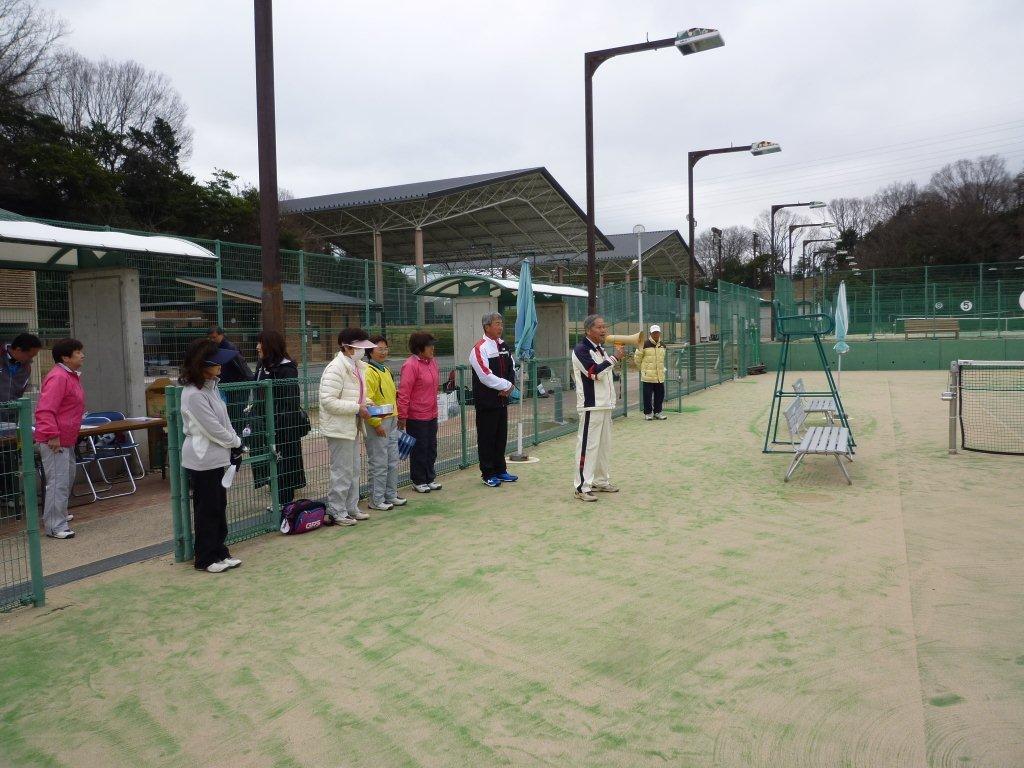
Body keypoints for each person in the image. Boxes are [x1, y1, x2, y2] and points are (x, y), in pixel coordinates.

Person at [179, 338, 243, 573]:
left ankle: (219, 551)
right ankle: (205, 558)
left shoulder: (211, 387)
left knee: (218, 506)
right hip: (202, 458)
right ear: (201, 364)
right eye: (215, 363)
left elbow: (224, 421)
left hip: (217, 456)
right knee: (207, 509)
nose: (220, 366)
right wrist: (236, 442)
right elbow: (211, 428)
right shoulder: (193, 394)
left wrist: (235, 442)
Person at [319, 327, 377, 525]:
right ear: (347, 348)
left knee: (353, 469)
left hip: (351, 425)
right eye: (359, 347)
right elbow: (328, 401)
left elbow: (356, 395)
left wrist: (367, 403)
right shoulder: (335, 368)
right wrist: (357, 407)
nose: (363, 351)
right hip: (339, 427)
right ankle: (337, 511)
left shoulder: (357, 366)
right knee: (342, 471)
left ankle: (351, 507)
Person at [33, 338, 87, 539]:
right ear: (65, 357)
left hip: (66, 437)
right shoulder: (59, 377)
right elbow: (46, 409)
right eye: (78, 352)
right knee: (58, 481)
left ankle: (58, 514)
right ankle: (55, 526)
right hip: (55, 440)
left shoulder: (68, 376)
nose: (82, 355)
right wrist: (52, 435)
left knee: (67, 477)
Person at [250, 330, 307, 505]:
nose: (257, 347)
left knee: (284, 463)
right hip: (263, 423)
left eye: (261, 343)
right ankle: (276, 499)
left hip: (282, 426)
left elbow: (290, 401)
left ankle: (284, 504)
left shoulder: (286, 368)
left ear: (271, 346)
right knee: (268, 463)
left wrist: (278, 424)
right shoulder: (262, 365)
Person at [571, 315, 623, 502]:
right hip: (591, 407)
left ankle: (600, 481)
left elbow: (606, 373)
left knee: (603, 446)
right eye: (599, 327)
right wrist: (614, 358)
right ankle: (582, 487)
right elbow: (594, 373)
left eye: (604, 326)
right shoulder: (581, 349)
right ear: (588, 330)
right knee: (588, 446)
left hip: (605, 405)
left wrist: (611, 359)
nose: (604, 330)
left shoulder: (600, 349)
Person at [469, 312, 518, 487]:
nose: (500, 327)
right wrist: (505, 386)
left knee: (500, 437)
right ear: (487, 327)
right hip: (487, 402)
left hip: (502, 402)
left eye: (501, 323)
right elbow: (485, 375)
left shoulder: (503, 345)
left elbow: (512, 367)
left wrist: (510, 385)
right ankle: (488, 473)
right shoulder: (479, 348)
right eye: (497, 323)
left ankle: (500, 470)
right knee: (486, 438)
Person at [363, 336, 407, 511]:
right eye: (379, 349)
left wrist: (397, 416)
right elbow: (367, 400)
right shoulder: (368, 371)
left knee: (392, 460)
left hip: (391, 419)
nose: (383, 352)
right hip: (378, 422)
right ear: (370, 352)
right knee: (379, 462)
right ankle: (376, 499)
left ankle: (390, 494)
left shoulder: (385, 369)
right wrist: (376, 423)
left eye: (385, 348)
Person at [1, 333, 42, 516]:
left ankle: (10, 494)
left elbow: (19, 391)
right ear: (17, 349)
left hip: (10, 417)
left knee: (8, 454)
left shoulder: (25, 367)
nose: (31, 359)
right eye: (30, 355)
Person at [397, 332, 441, 494]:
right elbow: (404, 392)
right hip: (416, 416)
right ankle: (418, 480)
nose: (432, 348)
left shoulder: (432, 362)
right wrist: (402, 415)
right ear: (419, 348)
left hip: (432, 413)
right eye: (429, 345)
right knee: (419, 449)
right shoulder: (410, 365)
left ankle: (430, 477)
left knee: (431, 447)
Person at [208, 326, 253, 430]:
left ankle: (238, 434)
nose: (212, 340)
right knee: (229, 412)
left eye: (214, 337)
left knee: (236, 412)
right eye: (210, 338)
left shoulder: (229, 348)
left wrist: (249, 378)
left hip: (238, 385)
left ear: (221, 335)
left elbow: (241, 364)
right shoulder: (217, 348)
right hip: (227, 384)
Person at [634, 324, 668, 421]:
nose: (656, 334)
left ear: (660, 333)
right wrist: (643, 369)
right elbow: (637, 358)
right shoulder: (643, 344)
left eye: (657, 332)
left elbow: (662, 360)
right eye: (654, 333)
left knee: (660, 395)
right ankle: (648, 413)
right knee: (647, 395)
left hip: (659, 376)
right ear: (650, 333)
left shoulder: (663, 345)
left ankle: (658, 412)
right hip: (648, 376)